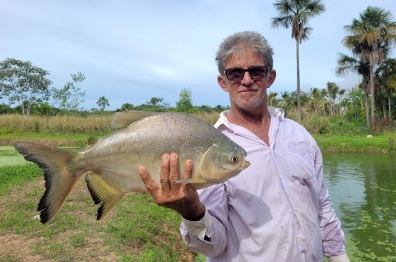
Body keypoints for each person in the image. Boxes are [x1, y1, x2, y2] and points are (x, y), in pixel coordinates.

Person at [139, 31, 350, 261]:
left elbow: (322, 205)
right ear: (223, 82)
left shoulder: (299, 135)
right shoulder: (211, 149)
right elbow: (214, 246)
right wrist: (191, 211)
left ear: (270, 77)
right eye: (236, 73)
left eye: (256, 71)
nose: (247, 80)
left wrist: (339, 255)